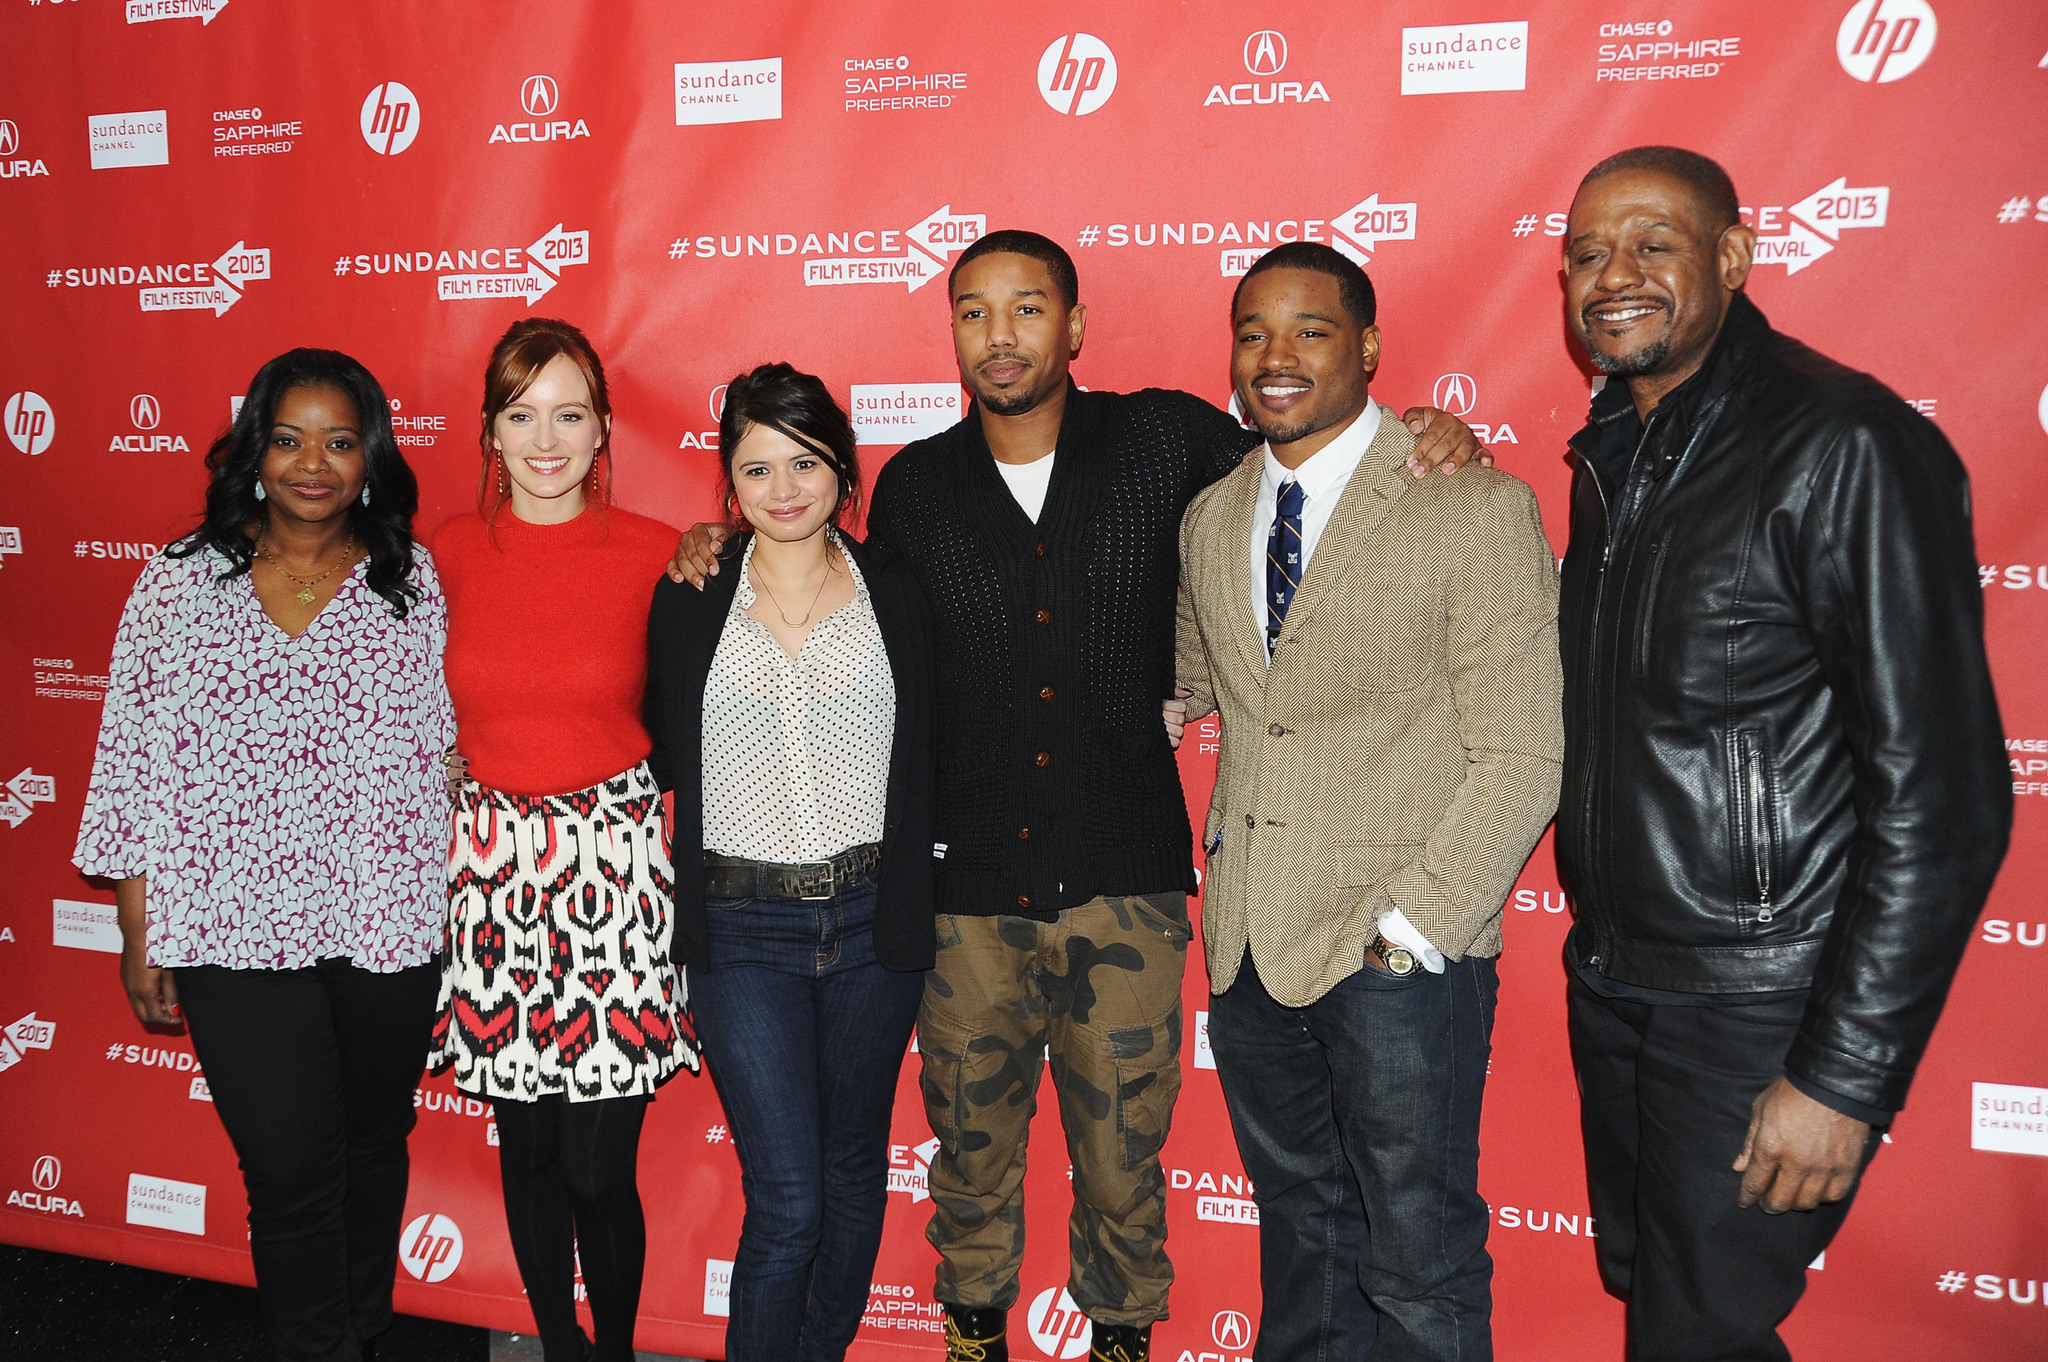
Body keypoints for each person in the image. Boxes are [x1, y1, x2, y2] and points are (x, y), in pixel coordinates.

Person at [667, 230, 1486, 1362]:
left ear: (1074, 324)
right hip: (964, 898)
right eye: (972, 313)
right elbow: (821, 579)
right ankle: (972, 1340)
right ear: (950, 332)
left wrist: (1425, 438)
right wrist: (714, 538)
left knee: (1121, 1158)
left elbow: (1310, 463)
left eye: (1025, 308)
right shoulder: (914, 489)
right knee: (970, 1153)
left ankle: (1118, 1343)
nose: (998, 337)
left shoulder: (1165, 439)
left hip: (1125, 883)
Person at [1548, 147, 2009, 1360]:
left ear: (1735, 258)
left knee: (1695, 1332)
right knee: (1659, 1300)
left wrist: (1843, 1076)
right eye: (1587, 254)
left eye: (1652, 244)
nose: (1614, 277)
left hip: (1759, 998)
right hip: (1618, 976)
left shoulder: (1839, 441)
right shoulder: (1614, 449)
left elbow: (1944, 795)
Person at [1170, 241, 1562, 1361]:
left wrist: (1414, 931)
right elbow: (1199, 687)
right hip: (1249, 944)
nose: (1275, 357)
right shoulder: (1211, 517)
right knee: (1302, 1237)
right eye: (1252, 334)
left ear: (1369, 348)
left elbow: (1525, 751)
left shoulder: (1470, 504)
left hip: (1397, 957)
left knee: (1418, 1257)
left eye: (1309, 330)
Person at [75, 349, 453, 1362]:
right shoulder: (176, 585)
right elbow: (127, 760)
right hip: (229, 927)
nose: (313, 464)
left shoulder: (412, 581)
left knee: (372, 1152)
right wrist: (135, 922)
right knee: (289, 1172)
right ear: (255, 453)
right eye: (289, 440)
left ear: (370, 456)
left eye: (339, 440)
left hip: (385, 921)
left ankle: (363, 1333)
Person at [643, 362, 937, 1361]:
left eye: (804, 462)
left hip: (871, 923)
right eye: (756, 467)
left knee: (854, 1170)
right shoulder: (689, 594)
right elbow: (639, 736)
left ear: (841, 470)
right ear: (727, 482)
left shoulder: (895, 588)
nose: (782, 490)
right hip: (741, 930)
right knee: (789, 1200)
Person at [429, 318, 698, 1362]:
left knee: (597, 1168)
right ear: (491, 432)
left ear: (602, 430)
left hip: (614, 871)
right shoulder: (446, 552)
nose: (547, 438)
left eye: (570, 413)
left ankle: (615, 1352)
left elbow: (691, 714)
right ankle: (555, 1341)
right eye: (521, 413)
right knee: (527, 1152)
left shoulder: (659, 553)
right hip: (491, 874)